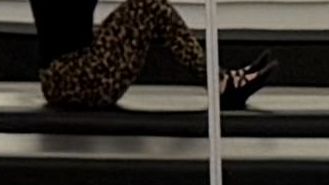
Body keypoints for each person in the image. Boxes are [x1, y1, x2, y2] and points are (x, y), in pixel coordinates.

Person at [32, 0, 273, 112]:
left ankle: (219, 78)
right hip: (68, 79)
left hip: (75, 72)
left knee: (151, 7)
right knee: (148, 6)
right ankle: (220, 82)